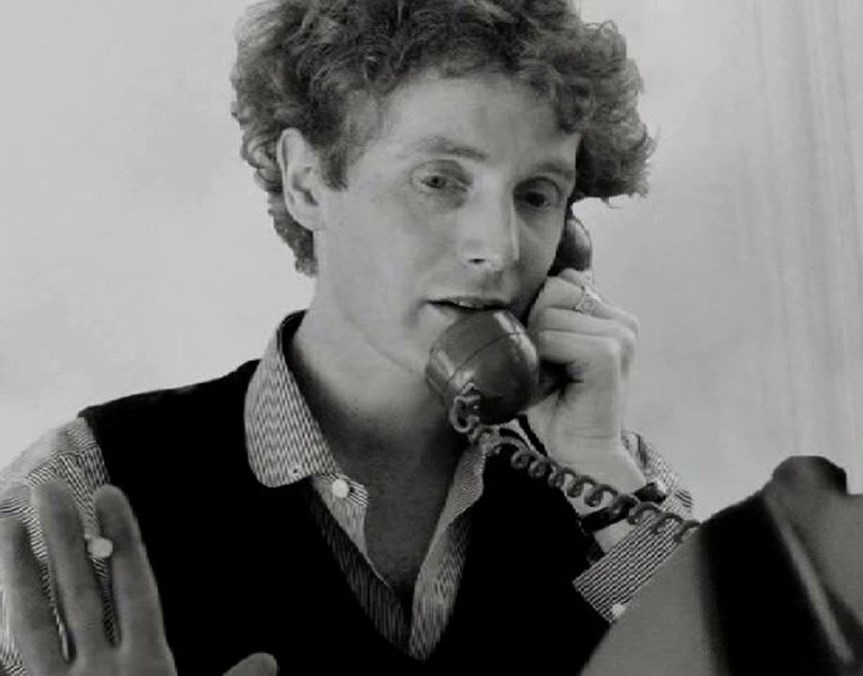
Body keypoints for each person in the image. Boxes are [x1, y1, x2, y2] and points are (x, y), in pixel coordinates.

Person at [0, 0, 692, 673]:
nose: (500, 247)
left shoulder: (612, 488)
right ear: (307, 182)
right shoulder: (83, 485)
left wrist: (599, 467)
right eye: (440, 180)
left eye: (536, 194)